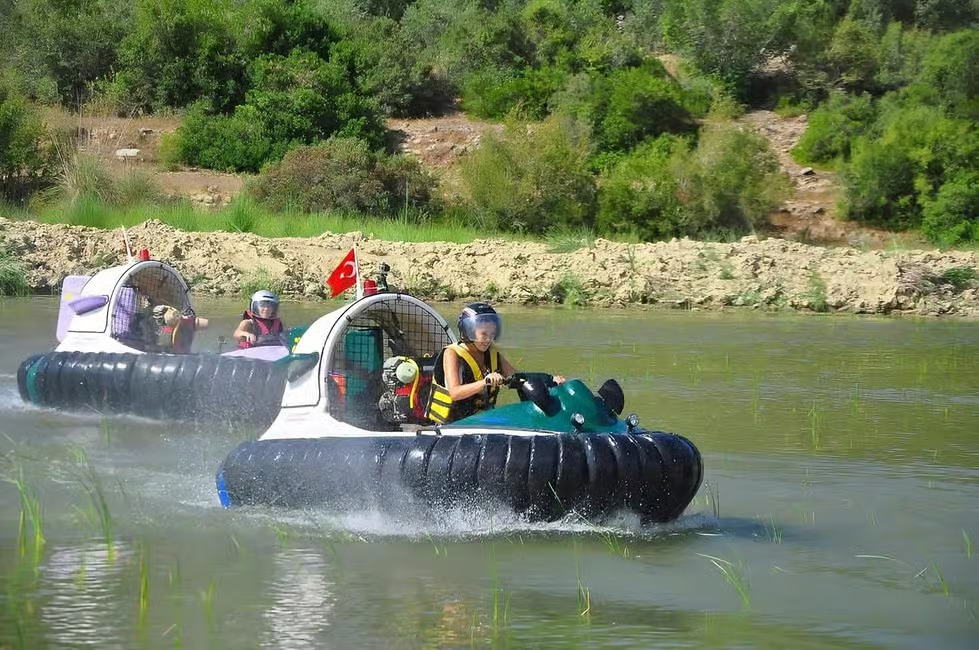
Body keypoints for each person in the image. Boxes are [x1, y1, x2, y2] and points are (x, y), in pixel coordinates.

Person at [427, 302, 564, 423]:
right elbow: (455, 392)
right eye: (484, 334)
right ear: (468, 331)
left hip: (482, 420)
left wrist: (550, 379)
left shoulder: (492, 353)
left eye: (492, 334)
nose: (488, 339)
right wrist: (485, 382)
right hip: (454, 424)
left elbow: (517, 377)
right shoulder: (452, 353)